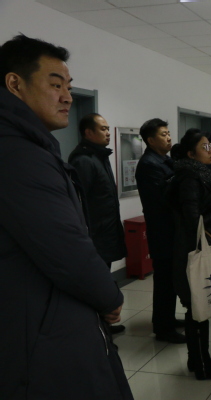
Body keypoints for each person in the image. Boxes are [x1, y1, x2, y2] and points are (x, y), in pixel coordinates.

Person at [0, 34, 133, 399]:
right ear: (15, 84)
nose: (67, 97)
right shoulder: (18, 155)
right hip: (38, 325)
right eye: (55, 84)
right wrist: (109, 296)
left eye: (69, 87)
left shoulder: (30, 147)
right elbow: (64, 245)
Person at [168, 129, 211, 380]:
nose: (210, 151)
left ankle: (198, 359)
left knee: (197, 308)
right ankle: (202, 366)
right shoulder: (189, 178)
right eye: (205, 147)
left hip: (191, 246)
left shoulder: (198, 174)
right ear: (190, 153)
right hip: (191, 250)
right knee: (197, 308)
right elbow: (193, 220)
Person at [69, 113, 128, 335]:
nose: (107, 133)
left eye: (107, 128)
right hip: (94, 235)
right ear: (88, 133)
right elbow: (79, 203)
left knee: (103, 279)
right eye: (103, 129)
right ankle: (95, 328)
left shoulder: (99, 156)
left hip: (105, 232)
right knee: (95, 283)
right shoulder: (83, 161)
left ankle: (103, 325)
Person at [135, 118, 185, 344]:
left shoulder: (164, 160)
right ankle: (163, 328)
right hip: (162, 230)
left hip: (170, 229)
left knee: (170, 278)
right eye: (163, 135)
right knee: (164, 279)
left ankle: (168, 319)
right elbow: (163, 199)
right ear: (150, 140)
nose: (169, 137)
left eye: (168, 133)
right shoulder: (149, 164)